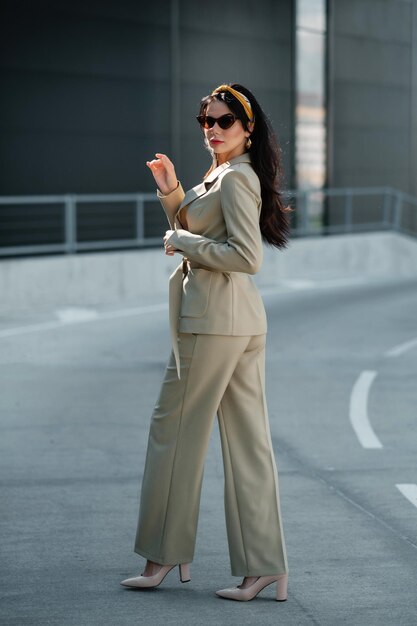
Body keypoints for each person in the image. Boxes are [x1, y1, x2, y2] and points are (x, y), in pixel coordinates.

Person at [121, 83, 291, 602]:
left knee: (172, 434)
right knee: (248, 445)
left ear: (248, 127)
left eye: (221, 122)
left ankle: (162, 555)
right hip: (237, 321)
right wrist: (172, 191)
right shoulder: (225, 174)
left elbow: (245, 256)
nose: (211, 130)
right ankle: (264, 567)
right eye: (205, 122)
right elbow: (201, 228)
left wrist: (182, 240)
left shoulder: (238, 178)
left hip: (214, 321)